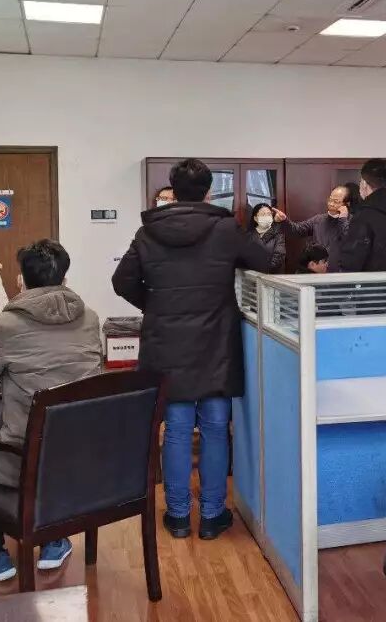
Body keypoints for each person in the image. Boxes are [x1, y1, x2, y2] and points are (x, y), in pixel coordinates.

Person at [112, 158, 273, 541]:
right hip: (216, 342)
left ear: (173, 190)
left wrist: (155, 306)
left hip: (166, 344)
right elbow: (264, 262)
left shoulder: (148, 232)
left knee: (177, 430)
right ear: (208, 191)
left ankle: (179, 516)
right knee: (216, 429)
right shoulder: (225, 228)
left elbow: (122, 281)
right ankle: (213, 516)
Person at [0, 239, 103, 582]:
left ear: (21, 281)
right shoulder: (90, 318)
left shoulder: (6, 326)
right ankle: (52, 539)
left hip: (26, 461)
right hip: (81, 454)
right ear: (64, 279)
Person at [272, 185, 354, 272]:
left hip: (340, 274)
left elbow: (350, 242)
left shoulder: (353, 222)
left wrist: (343, 219)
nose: (331, 203)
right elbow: (297, 230)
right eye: (330, 199)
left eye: (336, 201)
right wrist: (284, 220)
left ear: (346, 204)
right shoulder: (318, 220)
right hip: (316, 272)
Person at [248, 203, 286, 272]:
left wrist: (264, 268)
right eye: (263, 214)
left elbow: (279, 257)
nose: (266, 217)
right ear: (255, 218)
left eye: (269, 214)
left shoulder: (278, 234)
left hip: (271, 275)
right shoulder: (249, 235)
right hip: (252, 275)